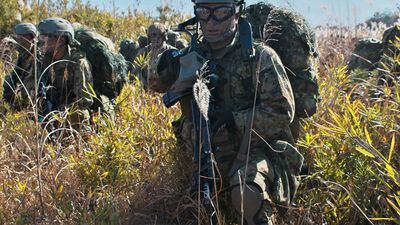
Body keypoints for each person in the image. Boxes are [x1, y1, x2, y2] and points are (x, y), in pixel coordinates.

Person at [147, 0, 303, 224]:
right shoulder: (190, 56)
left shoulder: (259, 57)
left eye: (221, 12)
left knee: (247, 196)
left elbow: (281, 112)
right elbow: (154, 84)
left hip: (255, 152)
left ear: (236, 12)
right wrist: (162, 57)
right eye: (203, 12)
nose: (211, 22)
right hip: (205, 157)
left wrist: (234, 119)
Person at [27, 17, 94, 132]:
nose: (41, 40)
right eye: (40, 36)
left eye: (45, 36)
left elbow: (84, 100)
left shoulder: (78, 63)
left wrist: (61, 112)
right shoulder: (41, 60)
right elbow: (28, 86)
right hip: (48, 108)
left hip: (69, 112)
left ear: (62, 40)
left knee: (80, 114)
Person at [3, 23, 37, 109]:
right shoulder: (18, 48)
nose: (16, 39)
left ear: (28, 38)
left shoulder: (37, 53)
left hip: (30, 83)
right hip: (19, 80)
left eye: (19, 36)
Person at [134, 23, 174, 89]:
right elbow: (135, 71)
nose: (156, 39)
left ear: (164, 37)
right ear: (149, 37)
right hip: (146, 89)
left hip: (167, 88)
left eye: (159, 36)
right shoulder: (143, 52)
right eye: (153, 36)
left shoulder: (171, 51)